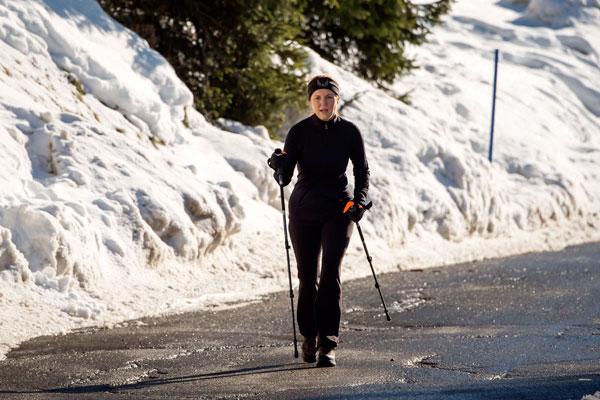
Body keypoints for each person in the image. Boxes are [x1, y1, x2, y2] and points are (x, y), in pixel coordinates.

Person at [267, 74, 370, 367]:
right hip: (303, 211)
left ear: (337, 99)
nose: (323, 103)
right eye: (317, 98)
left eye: (328, 97)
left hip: (338, 209)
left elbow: (362, 170)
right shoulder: (299, 132)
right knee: (307, 278)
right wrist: (279, 165)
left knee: (330, 277)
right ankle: (309, 336)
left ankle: (329, 344)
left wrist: (359, 201)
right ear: (310, 101)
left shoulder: (350, 132)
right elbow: (285, 178)